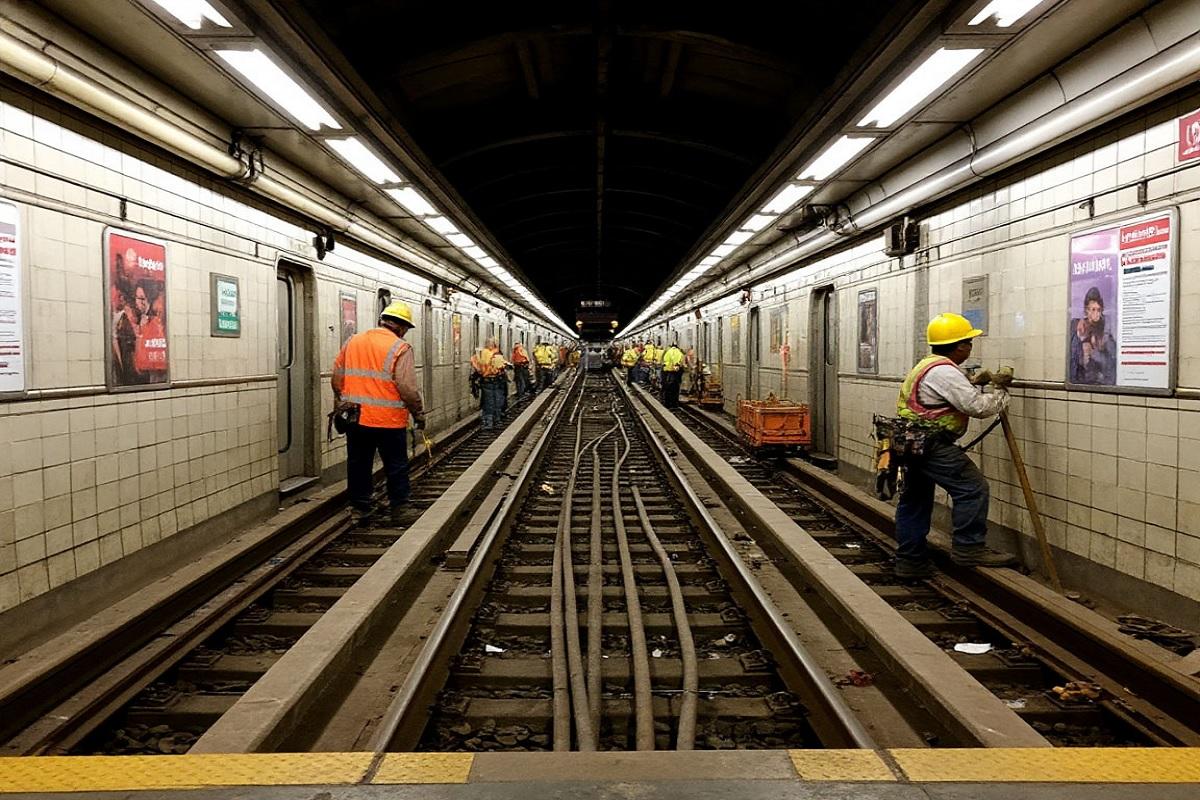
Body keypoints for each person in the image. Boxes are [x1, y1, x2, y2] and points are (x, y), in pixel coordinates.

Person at [893, 312, 1018, 578]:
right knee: (973, 488)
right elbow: (976, 407)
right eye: (969, 343)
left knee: (915, 499)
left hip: (913, 444)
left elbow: (943, 396)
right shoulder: (944, 371)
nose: (971, 348)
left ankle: (910, 561)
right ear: (960, 346)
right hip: (932, 445)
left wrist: (973, 383)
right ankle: (969, 548)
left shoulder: (927, 365)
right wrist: (1000, 391)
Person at [332, 300, 426, 528]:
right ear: (402, 327)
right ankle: (400, 509)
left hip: (356, 418)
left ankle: (360, 509)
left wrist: (342, 401)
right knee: (396, 464)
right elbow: (406, 387)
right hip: (388, 421)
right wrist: (418, 412)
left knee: (359, 464)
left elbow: (337, 376)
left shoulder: (353, 341)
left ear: (382, 321)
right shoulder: (400, 347)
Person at [1069, 286, 1116, 385]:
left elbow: (1111, 361)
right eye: (1093, 310)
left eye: (1099, 310)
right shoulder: (1077, 326)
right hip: (1079, 379)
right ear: (1087, 310)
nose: (1096, 314)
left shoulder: (1104, 331)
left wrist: (1095, 353)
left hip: (1098, 380)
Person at [472, 337, 508, 430]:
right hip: (497, 380)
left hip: (486, 381)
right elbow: (501, 367)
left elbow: (476, 366)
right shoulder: (498, 355)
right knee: (498, 400)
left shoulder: (480, 354)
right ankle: (497, 420)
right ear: (495, 344)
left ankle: (488, 423)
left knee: (487, 402)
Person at [661, 341, 684, 408]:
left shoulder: (668, 351)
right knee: (675, 389)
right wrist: (677, 366)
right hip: (675, 373)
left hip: (667, 372)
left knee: (667, 389)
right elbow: (677, 361)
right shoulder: (678, 352)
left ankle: (667, 404)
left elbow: (664, 360)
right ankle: (674, 404)